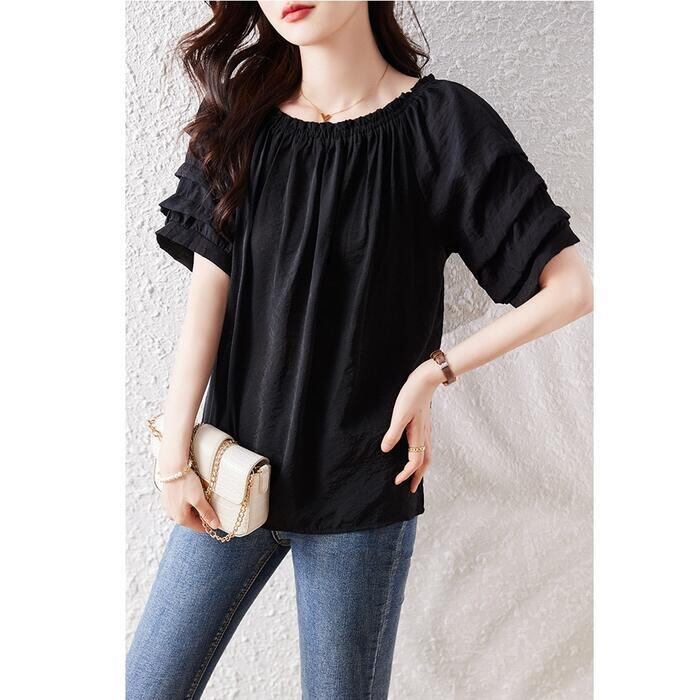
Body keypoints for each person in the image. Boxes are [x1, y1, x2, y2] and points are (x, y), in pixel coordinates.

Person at [126, 2, 593, 698]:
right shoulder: (240, 121)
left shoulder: (442, 125)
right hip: (230, 479)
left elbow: (570, 289)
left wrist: (434, 373)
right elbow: (206, 305)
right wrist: (173, 457)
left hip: (362, 492)